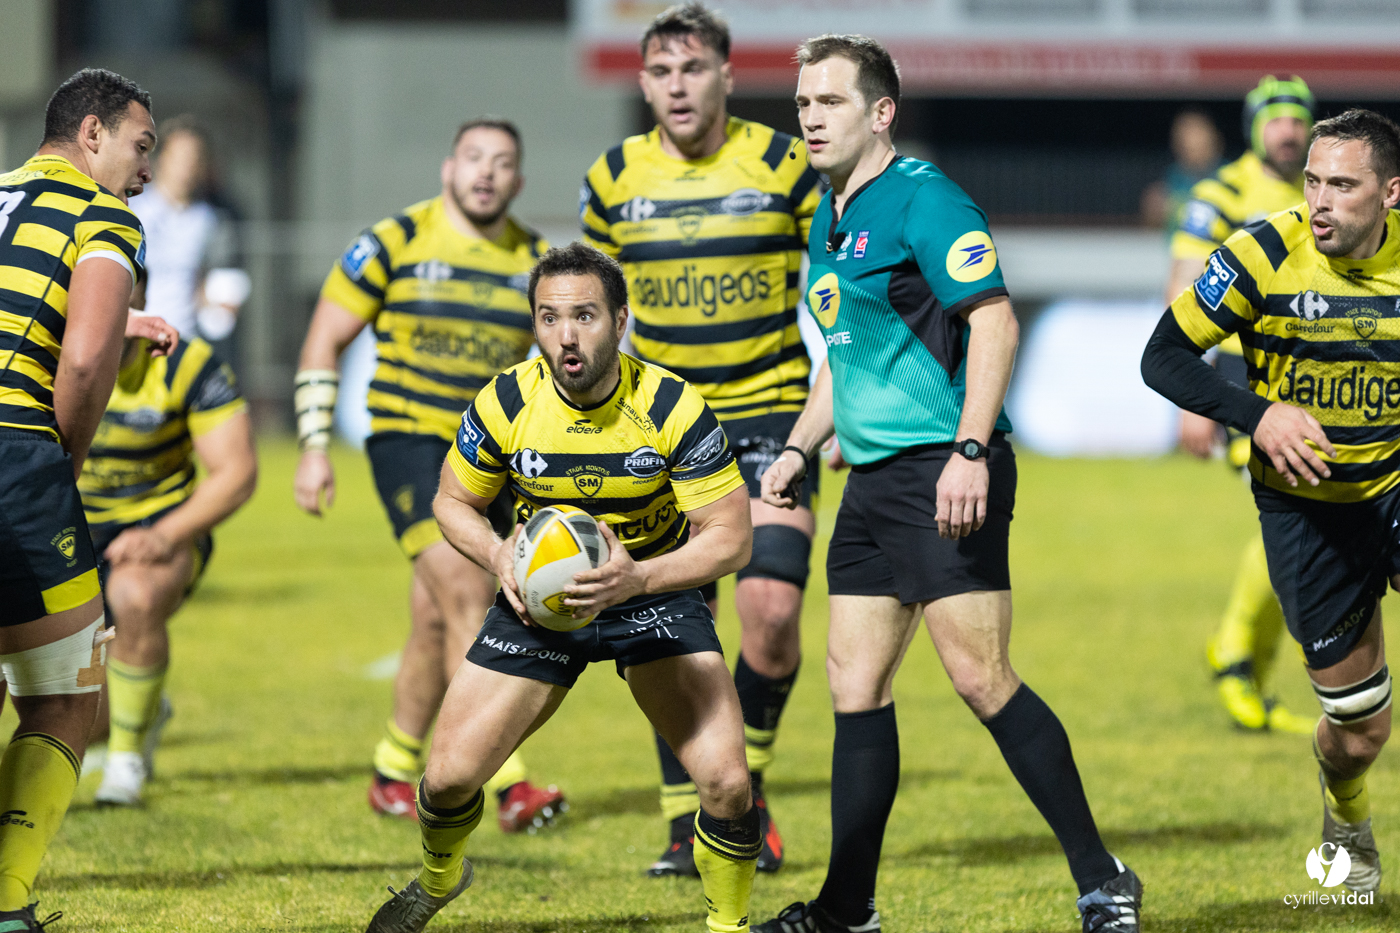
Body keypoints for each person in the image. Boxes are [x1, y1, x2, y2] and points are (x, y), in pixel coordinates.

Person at [756, 36, 1141, 933]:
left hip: (942, 468)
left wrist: (969, 451)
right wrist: (801, 447)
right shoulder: (829, 214)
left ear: (880, 112)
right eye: (803, 102)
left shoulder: (926, 199)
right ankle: (846, 909)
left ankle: (1104, 878)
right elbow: (848, 357)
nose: (809, 117)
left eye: (829, 101)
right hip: (870, 485)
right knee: (854, 685)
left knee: (979, 676)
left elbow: (995, 323)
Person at [364, 242, 758, 933]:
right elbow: (452, 501)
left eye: (584, 316)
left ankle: (728, 926)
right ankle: (437, 881)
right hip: (539, 609)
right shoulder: (508, 400)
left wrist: (640, 576)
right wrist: (498, 553)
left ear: (620, 321)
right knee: (448, 779)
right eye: (549, 318)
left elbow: (732, 536)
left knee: (727, 783)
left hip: (650, 595)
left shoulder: (671, 404)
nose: (566, 336)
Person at [580, 1, 822, 875]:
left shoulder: (786, 164)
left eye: (692, 69)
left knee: (772, 616)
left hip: (769, 413)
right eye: (661, 72)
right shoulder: (613, 177)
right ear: (643, 84)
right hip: (661, 426)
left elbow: (845, 283)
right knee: (670, 625)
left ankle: (742, 789)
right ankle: (690, 820)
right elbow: (590, 309)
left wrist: (836, 410)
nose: (677, 86)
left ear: (726, 75)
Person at [1143, 108, 1400, 897]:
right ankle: (1346, 815)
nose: (1319, 200)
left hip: (1392, 483)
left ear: (1391, 193)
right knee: (1358, 730)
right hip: (1305, 510)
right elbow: (1163, 355)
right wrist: (1258, 415)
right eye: (1314, 181)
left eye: (1343, 185)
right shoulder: (1261, 253)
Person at [293, 119, 564, 831]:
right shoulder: (394, 242)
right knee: (466, 588)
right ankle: (508, 784)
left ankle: (391, 765)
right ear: (449, 168)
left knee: (433, 611)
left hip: (491, 456)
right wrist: (314, 446)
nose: (486, 172)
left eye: (501, 162)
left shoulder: (534, 262)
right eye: (474, 158)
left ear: (518, 181)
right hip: (409, 441)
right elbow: (324, 339)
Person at [0, 68, 177, 931]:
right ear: (93, 132)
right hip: (13, 455)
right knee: (65, 692)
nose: (146, 170)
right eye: (141, 146)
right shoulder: (104, 217)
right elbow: (82, 360)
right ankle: (5, 901)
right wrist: (62, 458)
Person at [1168, 77, 1317, 733]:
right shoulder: (1221, 195)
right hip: (1240, 373)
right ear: (1253, 127)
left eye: (1298, 119)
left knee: (1301, 519)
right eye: (1276, 119)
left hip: (1303, 373)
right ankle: (1234, 653)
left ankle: (1250, 674)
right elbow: (1184, 288)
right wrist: (1190, 394)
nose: (1288, 130)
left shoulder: (1320, 192)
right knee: (1293, 512)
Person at [83, 324, 257, 805]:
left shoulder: (186, 365)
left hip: (159, 526)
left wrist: (163, 534)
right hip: (66, 530)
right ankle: (142, 709)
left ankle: (124, 762)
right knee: (80, 720)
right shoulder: (41, 352)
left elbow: (237, 471)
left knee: (135, 595)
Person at [129, 116, 249, 345]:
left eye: (194, 159)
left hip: (184, 344)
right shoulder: (130, 210)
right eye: (180, 157)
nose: (186, 167)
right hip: (130, 344)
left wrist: (215, 306)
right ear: (160, 159)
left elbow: (223, 298)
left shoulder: (213, 223)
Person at [1139, 108, 1223, 232]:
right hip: (1178, 244)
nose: (1192, 141)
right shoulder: (1173, 176)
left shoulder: (1230, 174)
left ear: (1214, 138)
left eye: (1198, 134)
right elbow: (1150, 225)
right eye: (1184, 136)